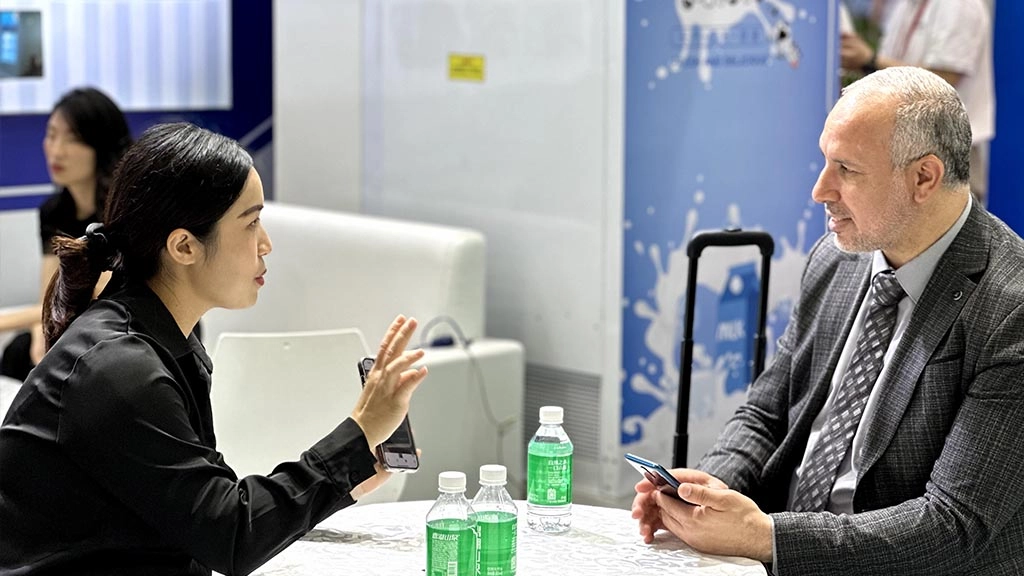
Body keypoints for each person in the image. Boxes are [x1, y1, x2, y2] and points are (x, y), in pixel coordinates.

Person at [632, 67, 1024, 575]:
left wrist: (767, 537)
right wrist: (704, 494)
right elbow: (768, 413)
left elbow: (953, 524)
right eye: (824, 161)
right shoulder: (838, 258)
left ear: (923, 178)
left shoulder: (1010, 308)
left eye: (847, 169)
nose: (820, 190)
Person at [0, 122, 429, 575]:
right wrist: (359, 432)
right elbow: (230, 536)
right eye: (251, 222)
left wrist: (353, 475)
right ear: (184, 245)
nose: (266, 244)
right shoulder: (116, 368)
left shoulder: (163, 341)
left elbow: (207, 516)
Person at [0, 87, 132, 381]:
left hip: (125, 325)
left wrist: (8, 320)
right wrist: (41, 330)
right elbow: (49, 294)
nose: (56, 150)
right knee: (21, 352)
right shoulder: (54, 212)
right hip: (76, 324)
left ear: (101, 146)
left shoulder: (126, 209)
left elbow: (100, 295)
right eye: (51, 135)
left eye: (72, 139)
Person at [839, 0, 994, 205]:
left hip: (947, 150)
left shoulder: (960, 5)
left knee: (950, 233)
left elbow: (943, 78)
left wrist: (869, 60)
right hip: (905, 146)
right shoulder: (905, 6)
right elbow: (890, 70)